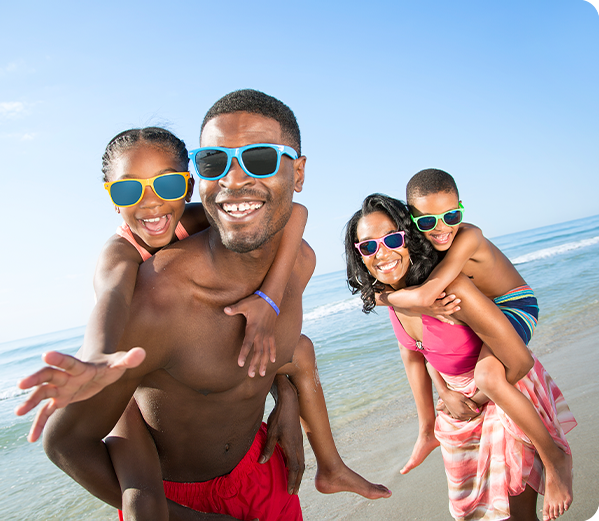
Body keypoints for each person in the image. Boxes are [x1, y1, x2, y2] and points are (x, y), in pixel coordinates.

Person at [23, 90, 388, 521]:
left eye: (261, 159)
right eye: (216, 162)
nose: (234, 181)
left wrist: (284, 394)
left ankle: (333, 468)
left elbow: (294, 221)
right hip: (181, 498)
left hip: (262, 470)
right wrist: (98, 353)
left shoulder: (295, 260)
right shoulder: (145, 290)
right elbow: (112, 296)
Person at [16, 126, 308, 445]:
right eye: (129, 190)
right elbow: (113, 295)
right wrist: (99, 354)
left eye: (167, 184)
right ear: (113, 198)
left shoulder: (197, 219)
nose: (151, 202)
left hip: (199, 361)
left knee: (302, 349)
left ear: (189, 187)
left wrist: (270, 297)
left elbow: (293, 213)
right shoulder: (121, 252)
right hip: (141, 383)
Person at [345, 193, 576, 521]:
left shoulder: (453, 290)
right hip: (459, 412)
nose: (381, 252)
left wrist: (477, 395)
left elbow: (519, 361)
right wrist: (436, 410)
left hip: (505, 399)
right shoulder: (397, 297)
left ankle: (555, 460)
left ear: (410, 238)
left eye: (392, 239)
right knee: (473, 514)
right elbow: (417, 353)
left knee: (516, 517)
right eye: (368, 246)